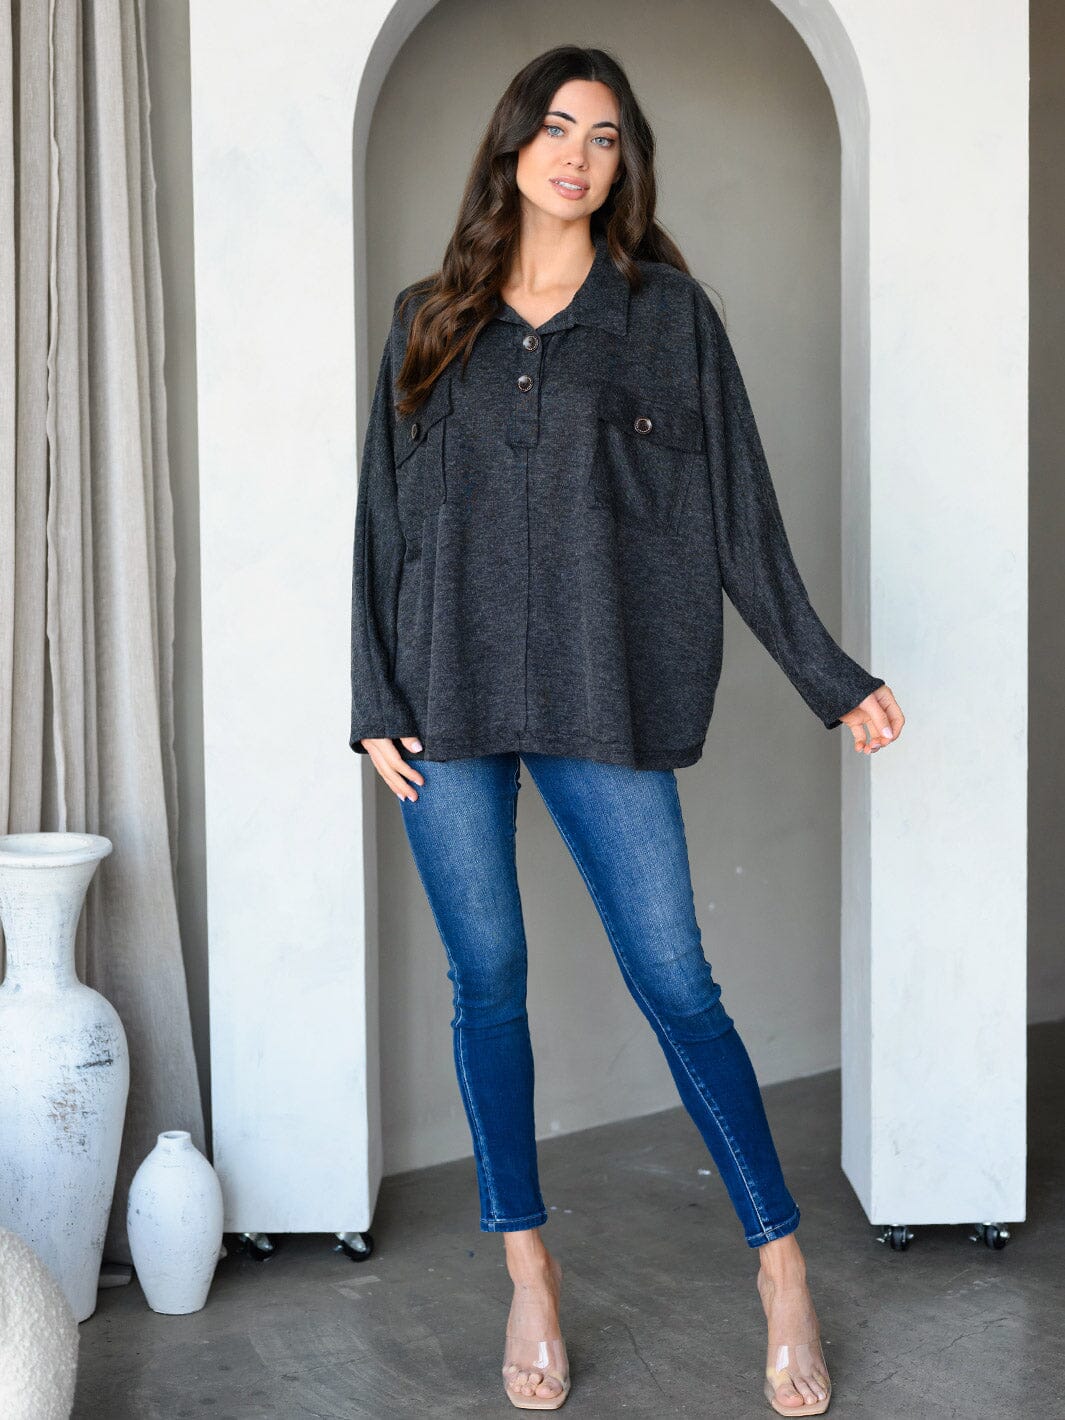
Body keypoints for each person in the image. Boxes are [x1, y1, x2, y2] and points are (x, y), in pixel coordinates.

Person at [349, 44, 904, 1415]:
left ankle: (779, 1266)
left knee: (676, 982)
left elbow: (739, 517)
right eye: (555, 127)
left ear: (624, 163)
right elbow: (382, 521)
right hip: (445, 701)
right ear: (511, 146)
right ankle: (527, 1271)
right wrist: (372, 702)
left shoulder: (668, 318)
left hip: (602, 697)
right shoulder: (430, 318)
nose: (576, 155)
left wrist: (830, 677)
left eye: (603, 136)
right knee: (487, 982)